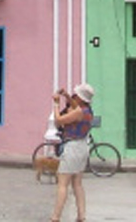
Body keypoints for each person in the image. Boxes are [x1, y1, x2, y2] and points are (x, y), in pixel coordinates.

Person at [49, 83, 95, 222]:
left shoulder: (78, 112)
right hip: (82, 147)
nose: (74, 97)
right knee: (78, 184)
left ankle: (55, 217)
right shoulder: (88, 110)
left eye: (76, 95)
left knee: (63, 184)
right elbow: (75, 105)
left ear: (81, 98)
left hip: (72, 147)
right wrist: (66, 96)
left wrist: (56, 104)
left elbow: (58, 120)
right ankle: (81, 216)